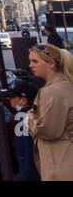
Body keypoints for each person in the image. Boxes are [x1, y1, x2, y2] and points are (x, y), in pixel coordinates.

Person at [27, 44, 73, 181]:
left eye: (35, 61)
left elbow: (48, 130)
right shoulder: (64, 85)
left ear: (51, 63)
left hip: (60, 159)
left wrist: (30, 118)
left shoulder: (52, 91)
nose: (30, 65)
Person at [3, 79, 41, 182]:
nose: (9, 101)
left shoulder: (22, 117)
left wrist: (26, 172)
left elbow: (25, 147)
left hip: (29, 169)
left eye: (12, 98)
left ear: (23, 101)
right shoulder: (35, 113)